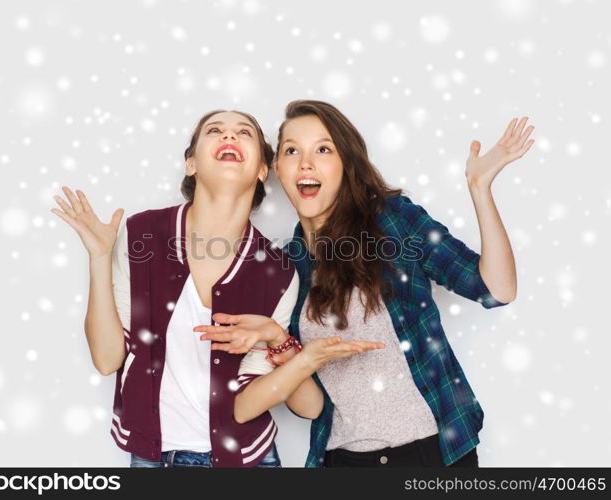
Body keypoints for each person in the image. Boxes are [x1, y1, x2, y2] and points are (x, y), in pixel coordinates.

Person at [199, 100, 534, 467]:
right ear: (278, 167)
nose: (306, 163)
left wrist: (480, 189)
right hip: (343, 461)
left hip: (433, 453)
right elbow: (307, 404)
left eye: (323, 149)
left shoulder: (393, 222)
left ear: (346, 163)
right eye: (292, 150)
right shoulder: (284, 266)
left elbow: (496, 289)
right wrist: (278, 340)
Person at [51, 109, 325, 467]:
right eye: (215, 130)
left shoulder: (278, 271)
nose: (229, 137)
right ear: (191, 163)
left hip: (247, 459)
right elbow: (107, 360)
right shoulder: (142, 235)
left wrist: (285, 347)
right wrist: (100, 257)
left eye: (244, 133)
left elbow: (252, 399)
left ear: (262, 170)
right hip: (154, 459)